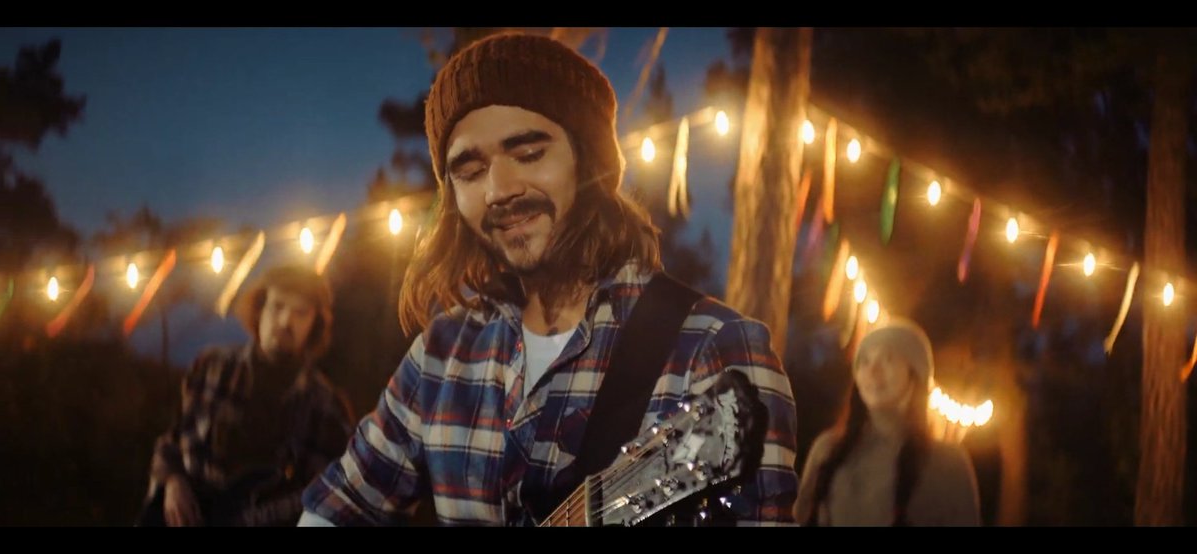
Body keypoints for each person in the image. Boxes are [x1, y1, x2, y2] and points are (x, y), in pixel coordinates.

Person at [299, 32, 798, 527]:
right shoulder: (442, 353)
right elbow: (337, 506)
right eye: (470, 171)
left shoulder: (714, 348)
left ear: (591, 162)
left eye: (529, 154)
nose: (499, 190)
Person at [140, 264, 355, 526]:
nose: (286, 321)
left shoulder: (325, 406)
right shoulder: (211, 367)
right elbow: (171, 441)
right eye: (277, 306)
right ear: (260, 308)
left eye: (301, 312)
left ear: (315, 324)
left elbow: (327, 496)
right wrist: (173, 482)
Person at [794, 319, 981, 526]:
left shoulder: (948, 463)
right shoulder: (829, 449)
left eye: (888, 359)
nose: (873, 371)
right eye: (865, 361)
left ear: (915, 375)